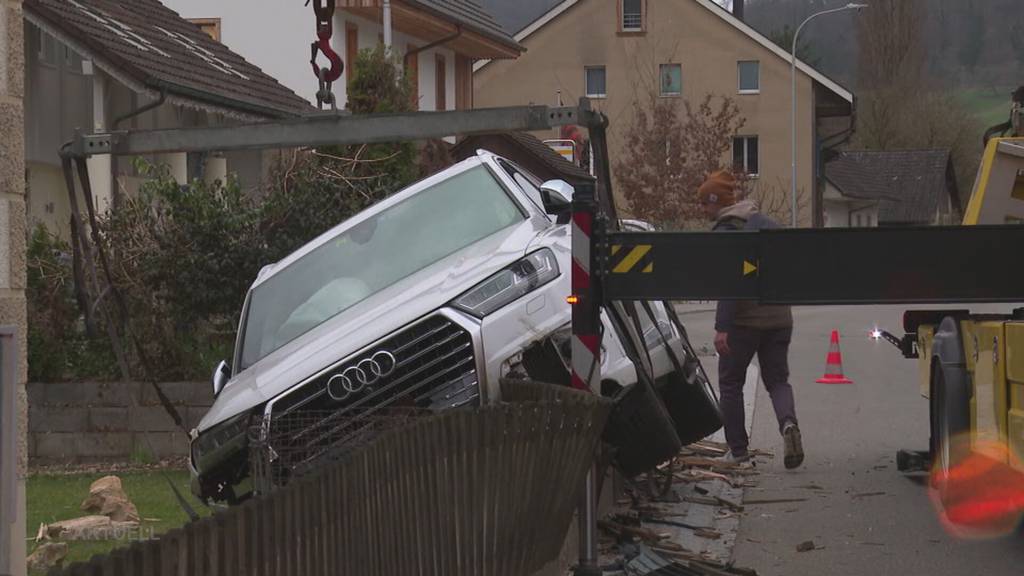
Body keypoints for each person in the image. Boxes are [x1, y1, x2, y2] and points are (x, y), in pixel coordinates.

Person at [698, 170, 804, 469]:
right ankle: (788, 424)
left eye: (704, 204)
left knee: (730, 383)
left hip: (743, 322)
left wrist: (722, 328)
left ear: (716, 201)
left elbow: (730, 283)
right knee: (778, 380)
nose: (703, 210)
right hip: (780, 317)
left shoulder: (726, 233)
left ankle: (738, 451)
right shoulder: (767, 224)